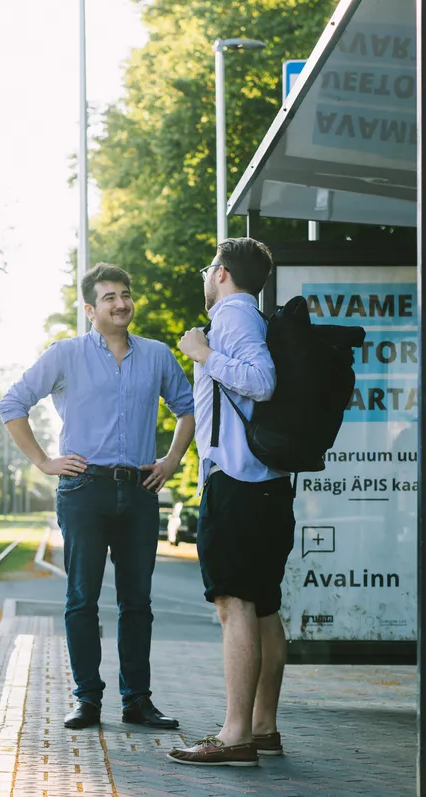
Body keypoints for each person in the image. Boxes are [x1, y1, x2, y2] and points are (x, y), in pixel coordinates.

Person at [0, 262, 195, 731]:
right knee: (82, 598)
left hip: (141, 490)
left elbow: (189, 410)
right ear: (90, 309)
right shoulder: (65, 354)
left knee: (138, 603)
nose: (121, 303)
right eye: (109, 297)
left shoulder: (158, 355)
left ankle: (137, 701)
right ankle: (87, 698)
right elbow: (11, 404)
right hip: (84, 490)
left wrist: (171, 461)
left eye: (125, 294)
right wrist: (45, 461)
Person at [168, 237, 295, 768]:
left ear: (222, 273)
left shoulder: (234, 317)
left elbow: (262, 383)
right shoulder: (249, 317)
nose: (204, 274)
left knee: (234, 606)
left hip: (239, 485)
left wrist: (204, 354)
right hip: (264, 485)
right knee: (263, 608)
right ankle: (262, 727)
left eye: (207, 267)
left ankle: (235, 734)